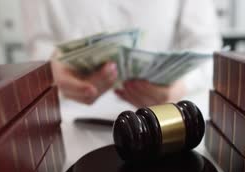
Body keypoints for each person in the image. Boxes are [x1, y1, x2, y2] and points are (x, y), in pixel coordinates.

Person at [22, 0, 221, 108]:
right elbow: (39, 47)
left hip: (163, 113)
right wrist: (52, 72)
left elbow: (208, 49)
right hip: (73, 115)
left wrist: (180, 88)